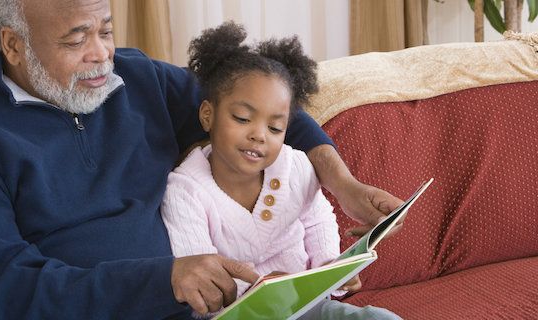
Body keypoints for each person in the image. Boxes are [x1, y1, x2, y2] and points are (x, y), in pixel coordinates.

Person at [0, 0, 402, 319]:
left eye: (105, 30)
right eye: (76, 39)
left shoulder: (137, 78)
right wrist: (163, 278)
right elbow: (7, 293)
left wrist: (342, 184)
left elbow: (265, 111)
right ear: (13, 44)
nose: (102, 54)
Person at [160, 22, 401, 319]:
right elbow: (201, 278)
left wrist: (331, 266)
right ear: (208, 115)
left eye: (275, 127)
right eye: (242, 118)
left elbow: (317, 220)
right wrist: (258, 291)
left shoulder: (294, 164)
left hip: (306, 307)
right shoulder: (184, 191)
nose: (260, 135)